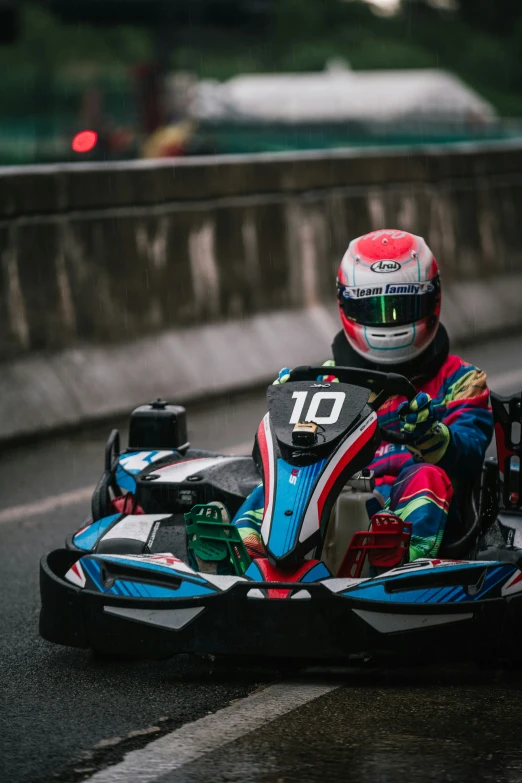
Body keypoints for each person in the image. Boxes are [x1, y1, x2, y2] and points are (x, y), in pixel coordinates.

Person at [210, 229, 494, 567]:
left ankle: (404, 564)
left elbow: (472, 450)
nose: (388, 320)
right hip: (339, 495)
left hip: (418, 507)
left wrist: (433, 436)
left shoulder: (462, 380)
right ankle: (246, 554)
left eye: (401, 306)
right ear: (347, 304)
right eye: (374, 307)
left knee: (425, 477)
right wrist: (288, 410)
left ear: (432, 301)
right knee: (277, 487)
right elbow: (300, 455)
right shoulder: (326, 380)